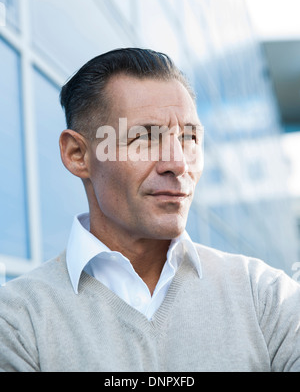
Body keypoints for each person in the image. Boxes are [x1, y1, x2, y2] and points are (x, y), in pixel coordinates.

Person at [0, 48, 300, 372]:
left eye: (189, 137)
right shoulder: (18, 322)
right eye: (145, 137)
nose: (178, 163)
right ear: (77, 154)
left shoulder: (266, 298)